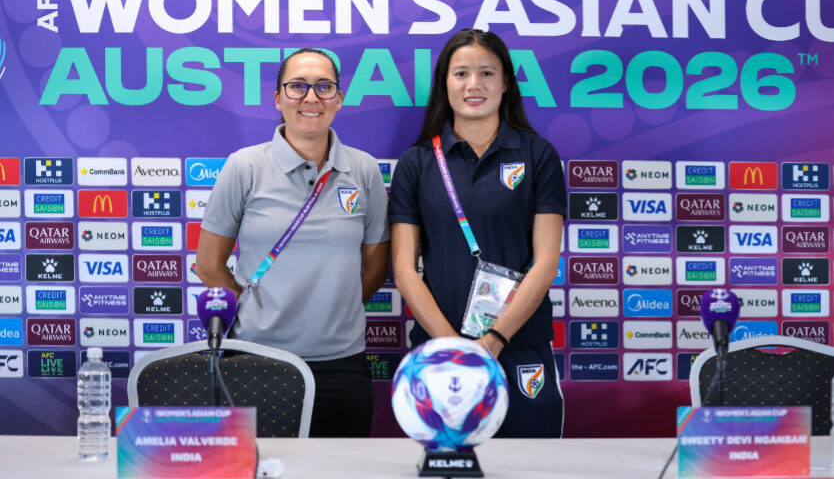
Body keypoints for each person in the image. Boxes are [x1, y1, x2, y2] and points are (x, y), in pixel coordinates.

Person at [196, 48, 390, 437]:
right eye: (297, 86)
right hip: (257, 357)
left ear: (339, 97)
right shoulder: (244, 166)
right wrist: (258, 311)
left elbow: (376, 267)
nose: (311, 98)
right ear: (278, 98)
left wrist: (333, 308)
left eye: (324, 86)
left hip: (342, 364)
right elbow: (209, 265)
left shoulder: (364, 169)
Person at [389, 29, 566, 437]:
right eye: (461, 73)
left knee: (529, 467)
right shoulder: (417, 163)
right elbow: (404, 269)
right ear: (444, 84)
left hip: (520, 348)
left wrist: (493, 340)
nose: (474, 85)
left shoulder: (537, 155)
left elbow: (545, 261)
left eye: (487, 73)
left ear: (505, 83)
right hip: (440, 354)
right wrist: (456, 348)